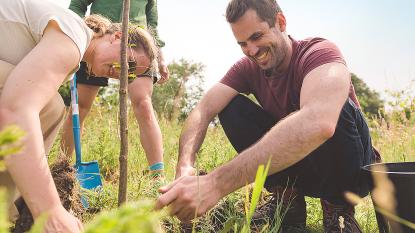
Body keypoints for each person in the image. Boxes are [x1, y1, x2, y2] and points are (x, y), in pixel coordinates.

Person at [156, 0, 376, 232]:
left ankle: (338, 211)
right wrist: (185, 166)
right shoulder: (247, 68)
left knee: (331, 104)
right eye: (242, 43)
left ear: (280, 23)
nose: (251, 50)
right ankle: (287, 201)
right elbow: (203, 110)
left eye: (257, 36)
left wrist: (215, 184)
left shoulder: (319, 53)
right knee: (230, 107)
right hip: (301, 167)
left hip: (350, 170)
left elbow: (319, 124)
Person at [0, 0, 158, 231]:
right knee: (45, 108)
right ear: (118, 37)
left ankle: (5, 210)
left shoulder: (71, 45)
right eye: (129, 63)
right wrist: (50, 210)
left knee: (51, 107)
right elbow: (15, 111)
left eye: (131, 75)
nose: (122, 74)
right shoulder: (72, 35)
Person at [60, 0, 169, 177]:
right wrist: (78, 36)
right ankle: (62, 168)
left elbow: (152, 22)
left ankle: (157, 176)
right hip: (101, 43)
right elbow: (77, 5)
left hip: (138, 51)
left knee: (143, 104)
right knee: (79, 107)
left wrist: (160, 56)